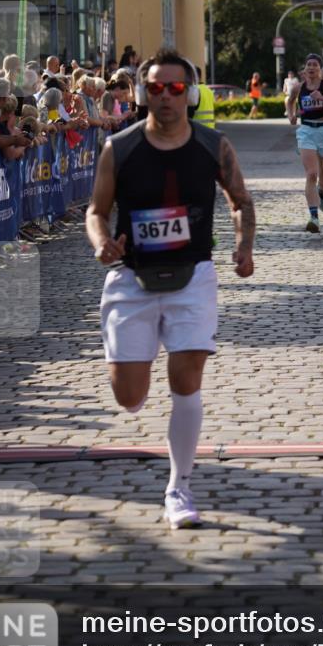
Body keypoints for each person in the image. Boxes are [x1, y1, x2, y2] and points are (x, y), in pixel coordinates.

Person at [86, 48, 255, 529]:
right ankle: (133, 369)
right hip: (131, 279)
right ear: (143, 94)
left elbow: (240, 201)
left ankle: (178, 487)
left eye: (175, 88)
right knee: (129, 397)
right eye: (156, 88)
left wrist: (244, 247)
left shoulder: (213, 145)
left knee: (186, 380)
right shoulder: (119, 148)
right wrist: (101, 243)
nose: (165, 97)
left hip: (193, 276)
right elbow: (97, 212)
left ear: (191, 94)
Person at [286, 53, 323, 233]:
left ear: (320, 69)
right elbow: (290, 101)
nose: (311, 67)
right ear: (305, 68)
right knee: (311, 173)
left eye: (315, 65)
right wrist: (291, 115)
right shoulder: (298, 87)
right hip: (306, 131)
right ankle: (314, 217)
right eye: (308, 64)